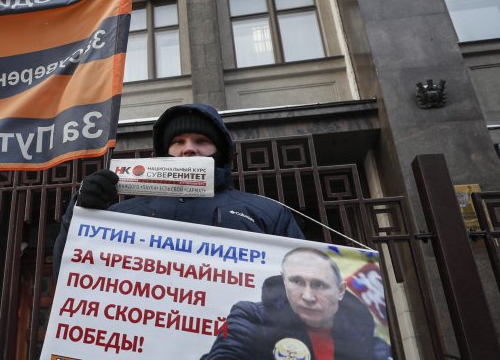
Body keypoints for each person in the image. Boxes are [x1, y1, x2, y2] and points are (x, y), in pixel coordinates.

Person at [53, 103, 304, 274]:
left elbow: (303, 280)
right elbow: (71, 275)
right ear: (164, 152)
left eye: (202, 140)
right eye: (178, 141)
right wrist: (82, 215)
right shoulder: (123, 214)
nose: (188, 148)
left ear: (222, 152)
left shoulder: (266, 213)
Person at [203, 248, 392, 360]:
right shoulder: (249, 317)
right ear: (283, 281)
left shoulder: (374, 346)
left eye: (319, 285)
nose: (308, 296)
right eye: (297, 282)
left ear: (340, 290)